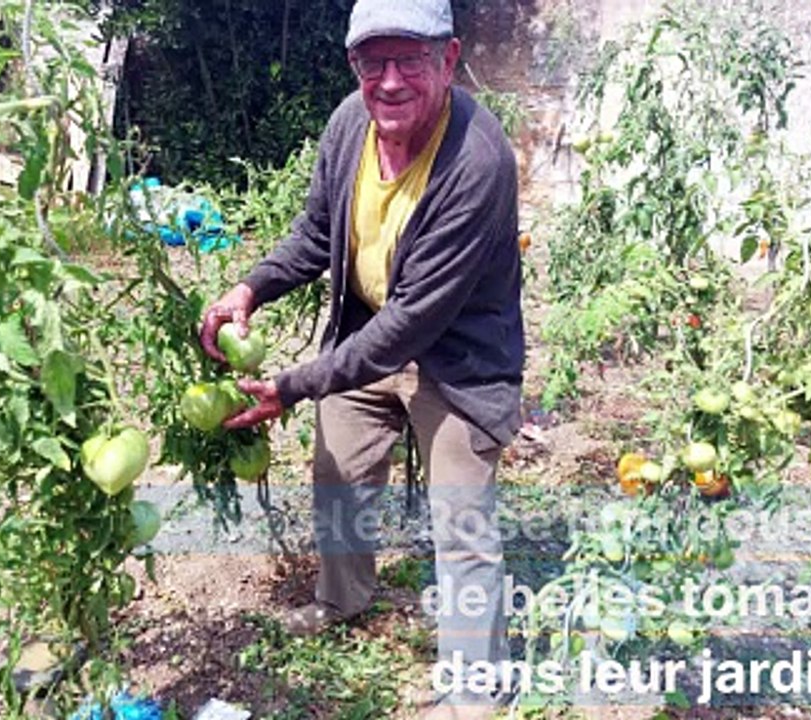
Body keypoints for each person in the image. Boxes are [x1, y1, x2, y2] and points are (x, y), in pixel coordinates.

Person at [198, 0, 524, 716]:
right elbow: (317, 232)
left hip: (458, 360)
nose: (391, 80)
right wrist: (250, 286)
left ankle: (477, 691)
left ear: (448, 59)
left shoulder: (478, 159)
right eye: (372, 62)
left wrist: (295, 383)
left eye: (411, 59)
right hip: (369, 330)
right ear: (353, 66)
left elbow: (415, 320)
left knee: (463, 523)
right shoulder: (352, 123)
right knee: (336, 474)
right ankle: (343, 599)